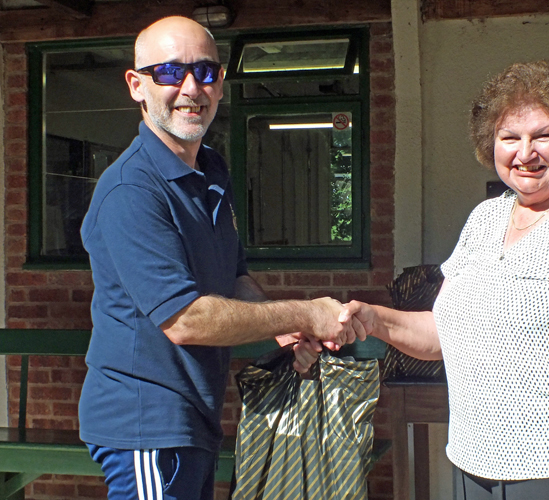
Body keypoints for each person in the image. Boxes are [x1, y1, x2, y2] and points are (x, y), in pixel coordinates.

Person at [297, 60, 549, 500]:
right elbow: (445, 333)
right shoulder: (485, 218)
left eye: (543, 135)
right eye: (509, 137)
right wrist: (372, 317)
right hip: (474, 463)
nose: (525, 152)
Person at [79, 16, 358, 500]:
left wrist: (285, 332)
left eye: (205, 72)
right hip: (146, 423)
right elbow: (185, 319)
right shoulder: (131, 189)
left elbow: (231, 277)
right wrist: (307, 311)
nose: (191, 87)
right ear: (136, 85)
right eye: (169, 72)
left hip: (193, 420)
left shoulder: (210, 168)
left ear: (221, 82)